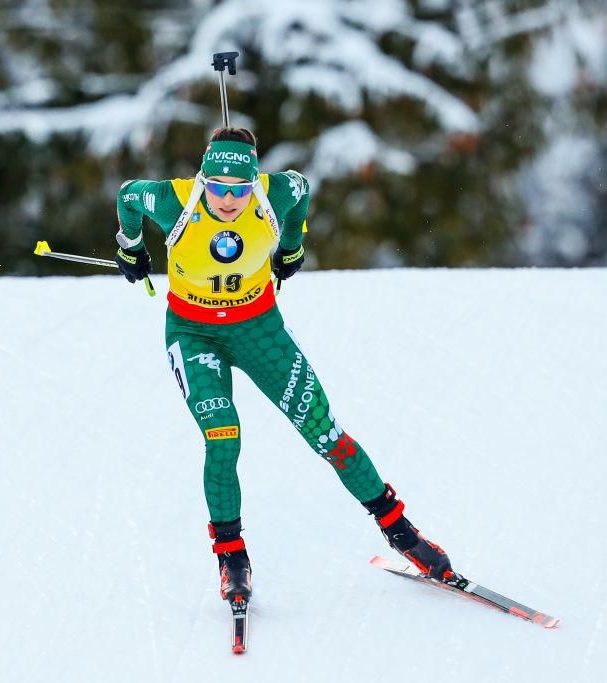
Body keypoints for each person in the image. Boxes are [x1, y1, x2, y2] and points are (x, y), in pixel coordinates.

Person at [114, 127, 454, 604]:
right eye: (218, 187)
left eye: (240, 188)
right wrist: (130, 246)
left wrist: (291, 247)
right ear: (202, 180)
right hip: (193, 334)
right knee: (223, 434)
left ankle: (401, 531)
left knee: (326, 434)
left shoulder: (275, 194)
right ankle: (232, 557)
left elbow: (301, 190)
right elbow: (128, 196)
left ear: (254, 182)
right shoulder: (173, 201)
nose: (229, 199)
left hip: (259, 329)